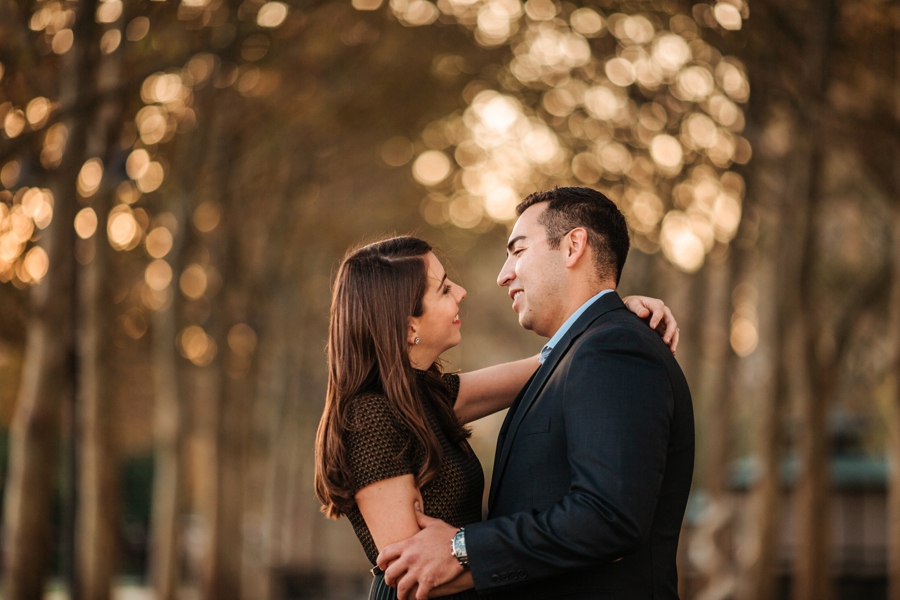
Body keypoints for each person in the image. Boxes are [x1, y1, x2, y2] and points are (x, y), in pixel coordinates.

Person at [314, 234, 681, 600]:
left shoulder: (427, 396)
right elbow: (415, 574)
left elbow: (550, 364)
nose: (461, 293)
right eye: (444, 289)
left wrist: (609, 314)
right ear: (410, 325)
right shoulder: (370, 416)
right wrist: (475, 551)